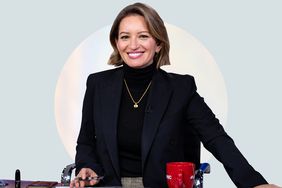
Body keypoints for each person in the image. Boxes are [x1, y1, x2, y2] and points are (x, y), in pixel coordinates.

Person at [70, 2, 280, 188]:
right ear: (117, 42)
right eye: (125, 37)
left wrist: (254, 183)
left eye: (143, 36)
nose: (133, 45)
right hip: (109, 184)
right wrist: (86, 166)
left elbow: (216, 138)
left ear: (158, 43)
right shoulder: (98, 84)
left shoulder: (181, 88)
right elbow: (86, 141)